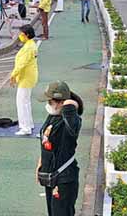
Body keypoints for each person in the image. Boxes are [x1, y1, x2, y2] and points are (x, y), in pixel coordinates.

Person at [37, 81, 83, 216]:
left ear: (61, 102)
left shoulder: (70, 120)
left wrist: (70, 104)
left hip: (64, 179)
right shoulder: (53, 115)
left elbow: (73, 127)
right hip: (50, 177)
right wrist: (41, 162)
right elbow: (46, 140)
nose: (48, 105)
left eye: (50, 102)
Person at [10, 25, 38, 136]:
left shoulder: (28, 48)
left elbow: (22, 64)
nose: (20, 36)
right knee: (26, 102)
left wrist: (13, 75)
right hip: (29, 76)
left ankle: (25, 128)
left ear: (27, 35)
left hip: (26, 78)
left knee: (21, 103)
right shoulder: (31, 45)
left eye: (21, 34)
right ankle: (29, 124)